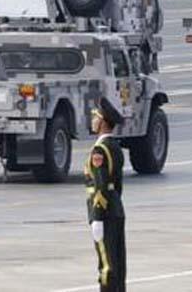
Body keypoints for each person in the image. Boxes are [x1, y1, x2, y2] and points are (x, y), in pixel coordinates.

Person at [85, 97, 126, 292]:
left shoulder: (99, 149)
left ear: (102, 122)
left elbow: (100, 185)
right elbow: (116, 185)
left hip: (104, 213)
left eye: (95, 117)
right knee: (118, 261)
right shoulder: (115, 147)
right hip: (116, 209)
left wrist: (97, 216)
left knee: (107, 263)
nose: (92, 120)